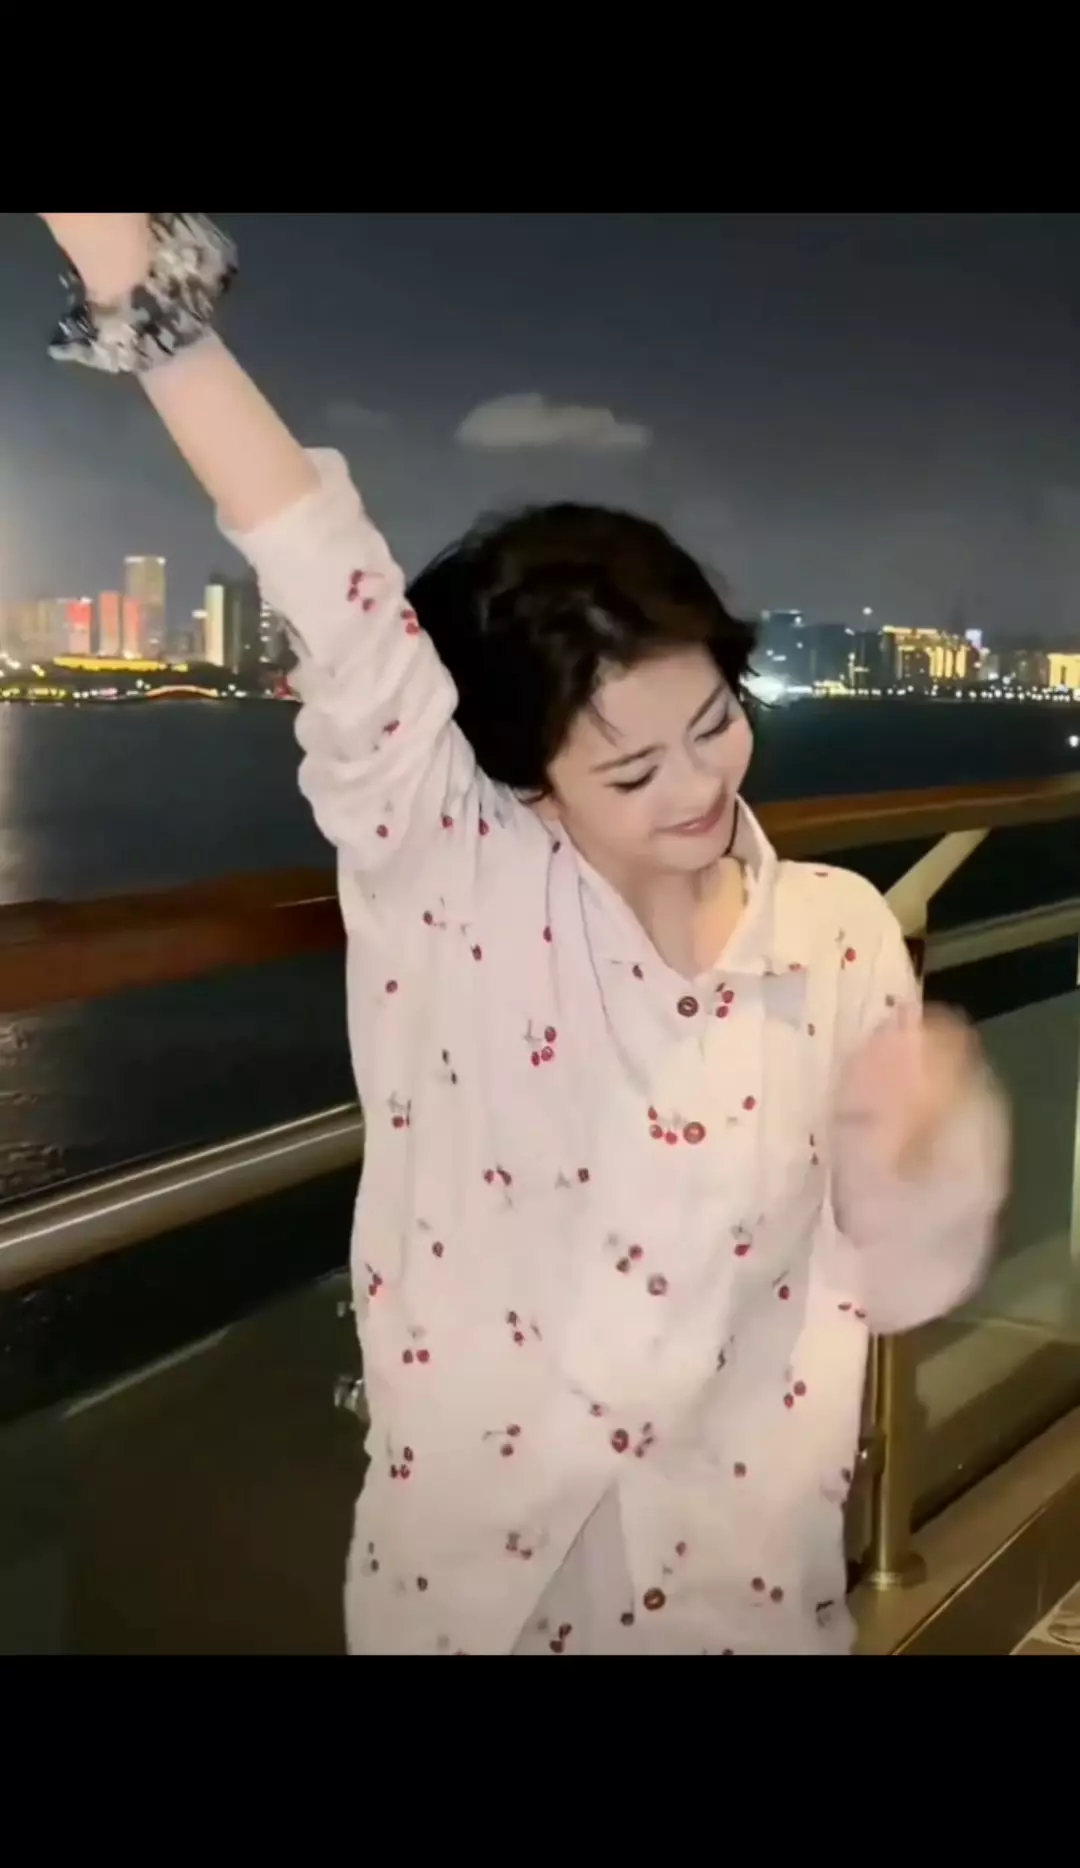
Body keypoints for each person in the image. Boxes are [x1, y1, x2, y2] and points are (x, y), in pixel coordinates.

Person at [38, 212, 1009, 1656]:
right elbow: (330, 583)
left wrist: (929, 1146)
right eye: (632, 768)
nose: (697, 787)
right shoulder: (460, 884)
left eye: (715, 723)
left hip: (745, 1600)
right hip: (472, 1603)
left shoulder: (838, 934)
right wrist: (156, 313)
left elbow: (898, 1280)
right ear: (527, 774)